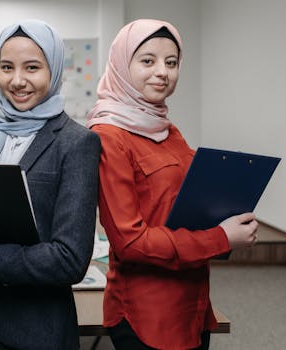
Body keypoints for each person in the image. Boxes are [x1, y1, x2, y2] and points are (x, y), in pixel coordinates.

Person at [86, 19, 259, 350]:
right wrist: (221, 238)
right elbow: (130, 242)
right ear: (122, 65)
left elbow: (186, 200)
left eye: (171, 62)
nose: (162, 72)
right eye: (147, 60)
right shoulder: (109, 136)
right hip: (149, 313)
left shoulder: (166, 129)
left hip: (192, 302)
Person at [0, 19, 101, 350]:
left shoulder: (76, 143)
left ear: (54, 71)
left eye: (32, 67)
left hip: (35, 329)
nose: (17, 81)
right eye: (6, 67)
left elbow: (69, 259)